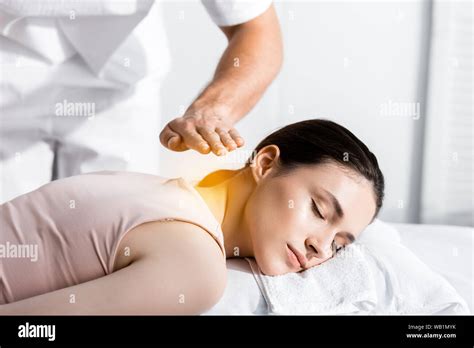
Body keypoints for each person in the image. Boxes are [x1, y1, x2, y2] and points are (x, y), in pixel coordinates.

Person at [0, 118, 384, 314]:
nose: (320, 246)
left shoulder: (159, 190)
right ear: (266, 163)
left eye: (339, 244)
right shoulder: (196, 265)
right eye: (318, 209)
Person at [0, 0, 283, 203]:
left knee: (114, 238)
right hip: (7, 76)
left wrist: (212, 110)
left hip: (120, 84)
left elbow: (257, 30)